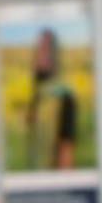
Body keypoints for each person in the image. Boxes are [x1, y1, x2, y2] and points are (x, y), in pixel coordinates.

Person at [17, 29, 85, 173]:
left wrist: (61, 182)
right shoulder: (38, 94)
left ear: (55, 56)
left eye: (45, 50)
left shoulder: (65, 96)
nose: (39, 56)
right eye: (39, 50)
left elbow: (66, 149)